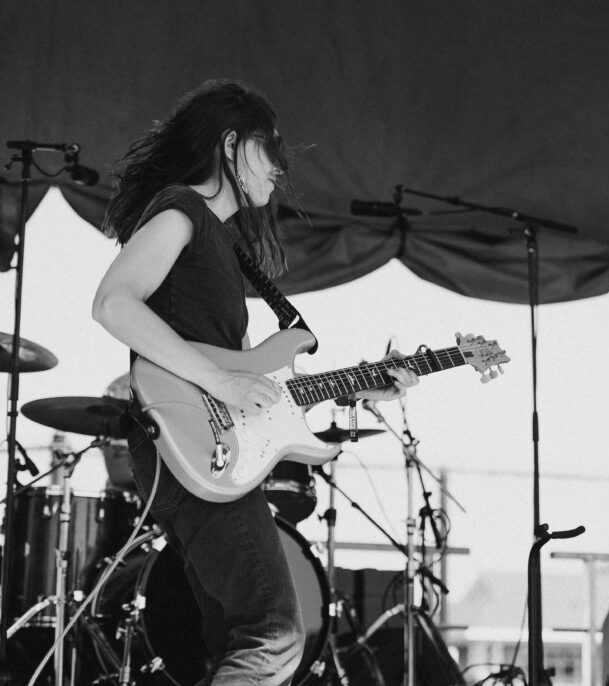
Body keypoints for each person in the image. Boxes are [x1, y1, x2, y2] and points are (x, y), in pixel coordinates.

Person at [92, 79, 418, 685]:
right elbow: (114, 303)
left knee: (234, 639)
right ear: (233, 144)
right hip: (186, 440)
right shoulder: (181, 208)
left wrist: (362, 385)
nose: (279, 173)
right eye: (272, 154)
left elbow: (258, 384)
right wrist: (219, 380)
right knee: (274, 631)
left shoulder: (224, 244)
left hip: (204, 448)